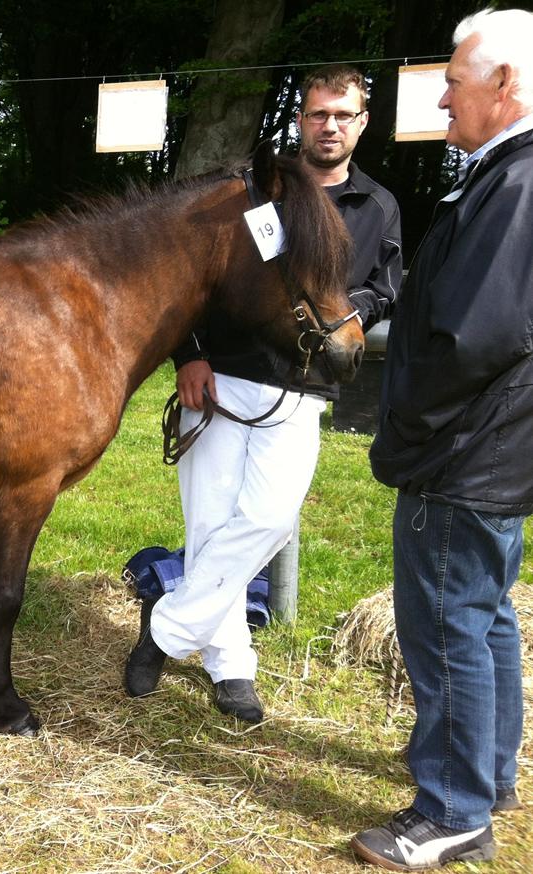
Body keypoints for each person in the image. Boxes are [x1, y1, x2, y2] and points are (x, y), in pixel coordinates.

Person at [124, 65, 402, 723]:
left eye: (343, 115)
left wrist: (345, 314)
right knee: (211, 525)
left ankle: (164, 629)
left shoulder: (378, 207)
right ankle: (232, 667)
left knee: (269, 521)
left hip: (300, 389)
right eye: (318, 114)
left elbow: (383, 288)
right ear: (300, 120)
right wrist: (187, 356)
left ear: (361, 123)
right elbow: (193, 280)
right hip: (219, 378)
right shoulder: (253, 196)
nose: (329, 126)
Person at [352, 9, 533, 870]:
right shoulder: (506, 176)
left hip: (464, 450)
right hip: (494, 447)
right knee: (486, 614)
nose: (440, 94)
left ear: (507, 86)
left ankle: (453, 808)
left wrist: (407, 432)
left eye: (455, 80)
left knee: (446, 623)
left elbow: (473, 335)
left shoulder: (519, 184)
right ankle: (487, 774)